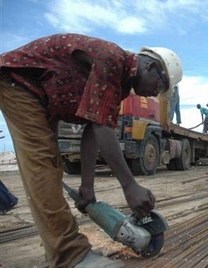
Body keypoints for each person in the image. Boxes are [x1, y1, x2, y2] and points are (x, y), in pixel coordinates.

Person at [0, 33, 183, 268]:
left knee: (49, 168)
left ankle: (59, 251)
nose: (155, 94)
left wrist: (88, 185)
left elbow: (91, 126)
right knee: (42, 166)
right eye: (160, 85)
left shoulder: (122, 85)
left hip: (42, 98)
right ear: (150, 66)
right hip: (20, 84)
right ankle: (70, 256)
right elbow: (101, 126)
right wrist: (129, 185)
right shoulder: (112, 58)